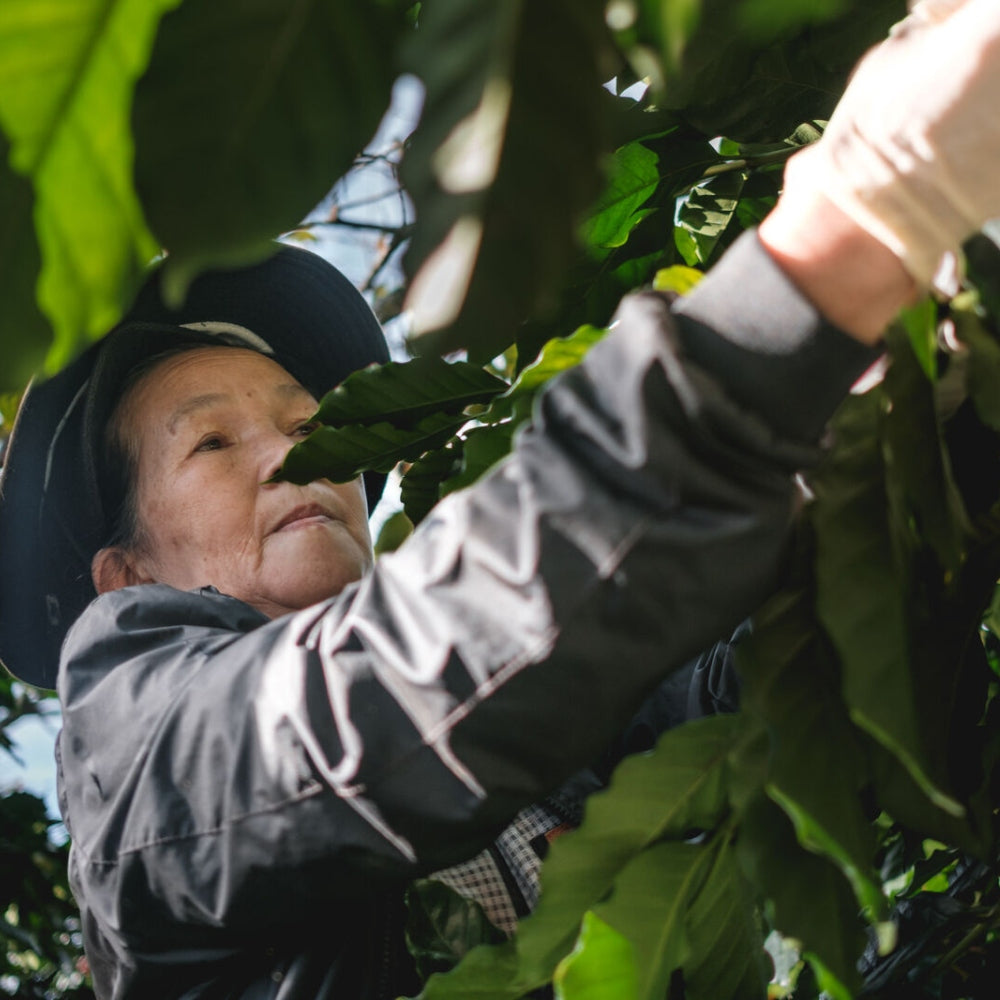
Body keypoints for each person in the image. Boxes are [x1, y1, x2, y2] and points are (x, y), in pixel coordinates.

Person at [0, 1, 997, 997]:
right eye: (212, 441)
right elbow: (371, 709)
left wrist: (918, 402)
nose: (285, 457)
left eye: (310, 425)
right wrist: (841, 234)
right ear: (124, 576)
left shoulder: (553, 742)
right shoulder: (139, 760)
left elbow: (779, 689)